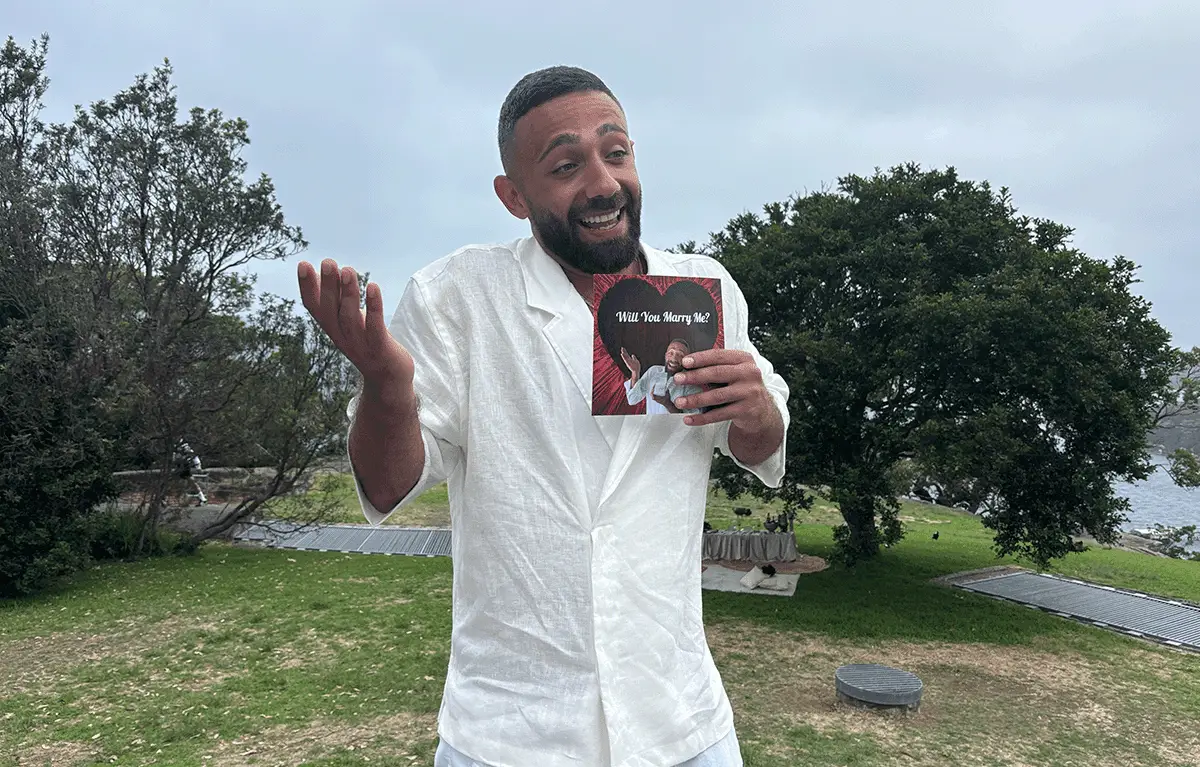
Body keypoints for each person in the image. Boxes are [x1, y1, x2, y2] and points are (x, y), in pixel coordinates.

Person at [298, 65, 789, 767]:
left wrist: (754, 409)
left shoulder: (706, 293)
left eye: (616, 153)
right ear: (513, 195)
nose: (601, 182)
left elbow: (763, 443)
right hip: (511, 729)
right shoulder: (455, 299)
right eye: (565, 165)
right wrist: (384, 385)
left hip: (680, 720)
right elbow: (384, 485)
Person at [621, 338, 705, 415]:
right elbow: (632, 399)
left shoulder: (692, 383)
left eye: (680, 355)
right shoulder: (653, 371)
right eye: (671, 353)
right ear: (665, 356)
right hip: (651, 429)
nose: (674, 358)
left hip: (675, 431)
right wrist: (635, 372)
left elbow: (691, 419)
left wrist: (668, 404)